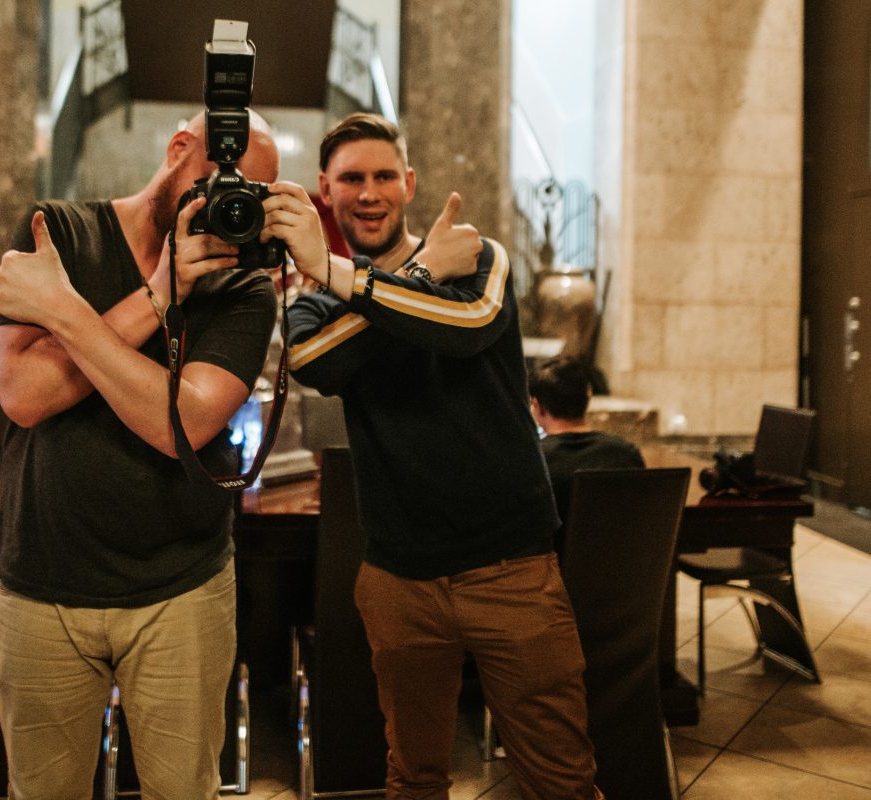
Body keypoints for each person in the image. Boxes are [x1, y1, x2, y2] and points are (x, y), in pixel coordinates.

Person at [263, 112, 602, 799]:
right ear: (325, 190)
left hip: (511, 570)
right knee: (413, 778)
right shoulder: (313, 301)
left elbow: (468, 325)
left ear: (409, 183)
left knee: (561, 781)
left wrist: (354, 281)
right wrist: (415, 275)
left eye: (383, 176)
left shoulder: (478, 255)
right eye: (351, 179)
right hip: (398, 581)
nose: (369, 192)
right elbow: (316, 362)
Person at [0, 111, 279, 798]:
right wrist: (157, 297)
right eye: (222, 177)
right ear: (178, 150)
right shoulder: (58, 234)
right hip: (41, 583)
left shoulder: (243, 285)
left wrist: (65, 314)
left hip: (183, 590)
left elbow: (180, 424)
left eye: (253, 193)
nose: (231, 202)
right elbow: (23, 394)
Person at [530, 354, 646, 556]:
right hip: (623, 570)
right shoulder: (627, 455)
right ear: (588, 396)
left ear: (537, 406)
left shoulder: (535, 462)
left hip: (555, 573)